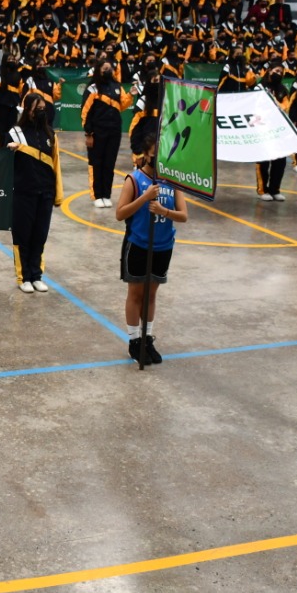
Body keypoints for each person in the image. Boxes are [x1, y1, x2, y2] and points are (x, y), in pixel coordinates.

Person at [114, 134, 188, 366]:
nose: (160, 156)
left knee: (152, 295)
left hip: (163, 246)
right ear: (146, 154)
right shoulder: (134, 180)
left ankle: (147, 338)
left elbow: (184, 215)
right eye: (156, 151)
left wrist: (164, 211)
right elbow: (120, 214)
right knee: (136, 294)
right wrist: (144, 198)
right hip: (138, 245)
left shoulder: (172, 181)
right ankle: (134, 341)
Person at [6, 93, 62, 293]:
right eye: (37, 108)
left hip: (45, 193)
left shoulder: (50, 135)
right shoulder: (15, 134)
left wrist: (57, 195)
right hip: (23, 193)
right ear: (27, 108)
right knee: (23, 235)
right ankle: (24, 277)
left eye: (43, 108)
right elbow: (3, 165)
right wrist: (9, 150)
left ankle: (37, 275)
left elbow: (56, 165)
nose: (41, 111)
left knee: (40, 235)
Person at [82, 58, 131, 207]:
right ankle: (96, 195)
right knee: (97, 163)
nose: (107, 71)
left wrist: (131, 95)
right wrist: (88, 134)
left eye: (109, 68)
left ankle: (106, 195)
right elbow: (85, 113)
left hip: (114, 131)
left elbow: (122, 105)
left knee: (109, 164)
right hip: (97, 131)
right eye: (104, 68)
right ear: (98, 70)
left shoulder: (117, 86)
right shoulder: (92, 88)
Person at [256, 65, 289, 199]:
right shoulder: (260, 87)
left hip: (278, 128)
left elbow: (286, 106)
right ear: (269, 71)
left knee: (280, 161)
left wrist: (277, 105)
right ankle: (263, 190)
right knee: (263, 160)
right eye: (276, 71)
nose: (278, 73)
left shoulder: (283, 89)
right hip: (262, 127)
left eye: (281, 72)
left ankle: (275, 189)